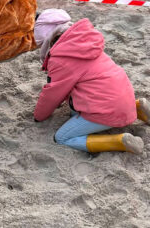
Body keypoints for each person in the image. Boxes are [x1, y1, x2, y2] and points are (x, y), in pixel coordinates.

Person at [33, 9, 150, 154]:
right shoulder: (85, 42)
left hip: (107, 109)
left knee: (62, 137)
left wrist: (39, 116)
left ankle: (119, 141)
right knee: (74, 111)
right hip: (124, 97)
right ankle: (137, 107)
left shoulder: (61, 58)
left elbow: (53, 93)